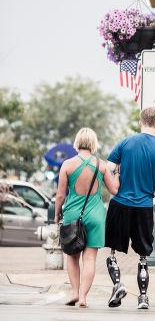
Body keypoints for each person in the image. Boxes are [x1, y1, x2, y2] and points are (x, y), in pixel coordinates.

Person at [105, 107, 155, 310]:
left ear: (140, 121)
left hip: (119, 204)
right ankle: (143, 297)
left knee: (112, 252)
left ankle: (117, 284)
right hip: (144, 207)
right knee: (143, 255)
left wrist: (115, 184)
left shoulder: (125, 143)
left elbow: (108, 170)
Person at [55, 128, 119, 308]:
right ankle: (83, 296)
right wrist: (118, 173)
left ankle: (75, 292)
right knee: (89, 259)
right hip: (96, 215)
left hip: (73, 215)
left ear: (77, 142)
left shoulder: (67, 165)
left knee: (72, 257)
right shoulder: (102, 165)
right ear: (93, 143)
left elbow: (60, 195)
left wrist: (56, 215)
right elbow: (114, 190)